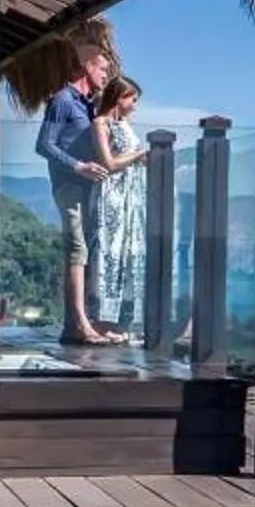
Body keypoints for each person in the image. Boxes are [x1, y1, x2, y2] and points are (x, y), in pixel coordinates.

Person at [34, 46, 121, 345]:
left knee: (89, 250)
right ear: (86, 67)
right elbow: (44, 145)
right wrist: (78, 166)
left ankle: (88, 321)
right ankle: (76, 325)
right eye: (102, 69)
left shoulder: (89, 105)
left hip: (89, 189)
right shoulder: (62, 101)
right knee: (76, 250)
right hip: (69, 186)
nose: (105, 75)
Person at [88, 77, 151, 337]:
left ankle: (121, 322)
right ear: (119, 97)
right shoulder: (100, 123)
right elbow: (109, 162)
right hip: (111, 194)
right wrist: (138, 154)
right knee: (108, 253)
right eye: (132, 99)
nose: (134, 105)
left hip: (131, 196)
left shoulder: (124, 125)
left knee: (129, 254)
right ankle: (102, 321)